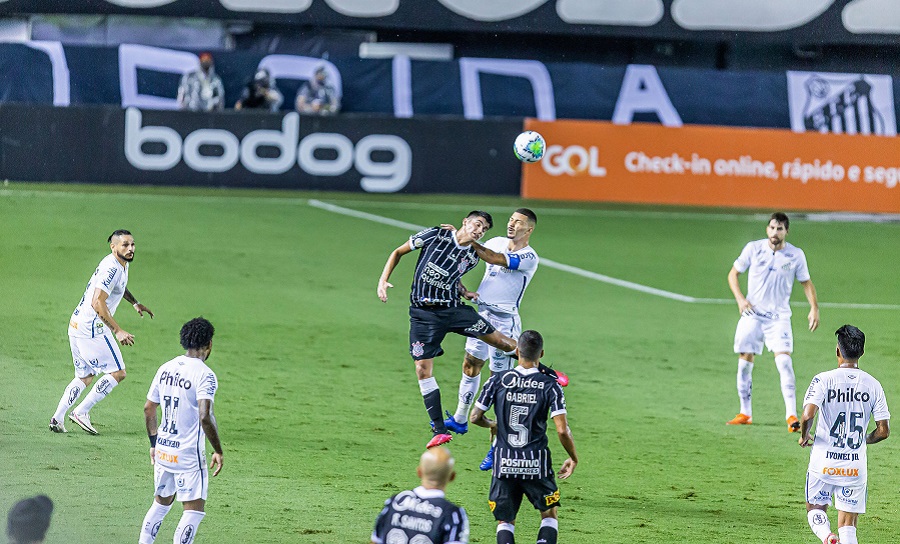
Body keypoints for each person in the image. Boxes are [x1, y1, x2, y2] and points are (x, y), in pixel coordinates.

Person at [378, 211, 522, 449]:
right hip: (423, 315)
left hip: (453, 311)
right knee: (422, 369)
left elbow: (452, 276)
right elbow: (398, 252)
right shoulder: (436, 234)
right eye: (477, 224)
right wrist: (383, 280)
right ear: (465, 222)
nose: (479, 230)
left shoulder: (472, 257)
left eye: (484, 228)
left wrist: (464, 292)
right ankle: (439, 430)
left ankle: (547, 372)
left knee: (499, 341)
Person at [442, 209, 543, 471]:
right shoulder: (495, 240)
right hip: (482, 314)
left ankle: (497, 448)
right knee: (470, 363)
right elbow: (469, 255)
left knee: (500, 386)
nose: (511, 225)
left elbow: (493, 258)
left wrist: (464, 236)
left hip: (505, 322)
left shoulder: (528, 257)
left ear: (529, 229)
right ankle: (460, 418)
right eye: (510, 220)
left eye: (518, 222)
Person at [470, 330, 577, 544]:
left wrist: (493, 424)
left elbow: (474, 417)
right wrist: (573, 457)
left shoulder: (498, 380)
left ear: (517, 351)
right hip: (536, 463)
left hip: (504, 462)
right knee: (549, 514)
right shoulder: (550, 385)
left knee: (505, 521)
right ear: (542, 354)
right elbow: (562, 430)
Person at [50, 229, 154, 435]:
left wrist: (135, 303)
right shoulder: (112, 268)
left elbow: (119, 286)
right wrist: (117, 330)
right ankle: (81, 412)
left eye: (132, 244)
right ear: (113, 246)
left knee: (85, 375)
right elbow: (97, 302)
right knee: (118, 372)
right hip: (92, 328)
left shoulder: (120, 265)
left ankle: (58, 417)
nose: (130, 248)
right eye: (125, 245)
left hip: (77, 324)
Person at [726, 212, 820, 431]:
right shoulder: (753, 249)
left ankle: (791, 416)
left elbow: (806, 283)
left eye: (779, 229)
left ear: (786, 231)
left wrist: (814, 308)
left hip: (779, 317)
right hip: (752, 314)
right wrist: (741, 299)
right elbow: (733, 274)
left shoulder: (795, 255)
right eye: (772, 228)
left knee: (784, 362)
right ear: (767, 229)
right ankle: (745, 412)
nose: (775, 232)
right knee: (744, 363)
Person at [799, 325, 890, 544]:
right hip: (854, 466)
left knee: (815, 507)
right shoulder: (874, 385)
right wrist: (863, 440)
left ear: (838, 351)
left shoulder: (823, 379)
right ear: (862, 352)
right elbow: (883, 431)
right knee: (848, 528)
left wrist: (805, 434)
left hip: (824, 462)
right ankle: (839, 536)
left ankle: (827, 536)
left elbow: (807, 414)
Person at [139, 317, 223, 544]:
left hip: (164, 451)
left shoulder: (165, 368)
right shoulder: (205, 374)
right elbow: (205, 416)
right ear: (209, 344)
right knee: (193, 511)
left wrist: (154, 444)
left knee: (160, 504)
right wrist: (218, 450)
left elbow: (149, 409)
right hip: (188, 456)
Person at [371, 447, 468, 544]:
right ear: (452, 477)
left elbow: (376, 540)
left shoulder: (396, 501)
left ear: (419, 472)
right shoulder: (452, 513)